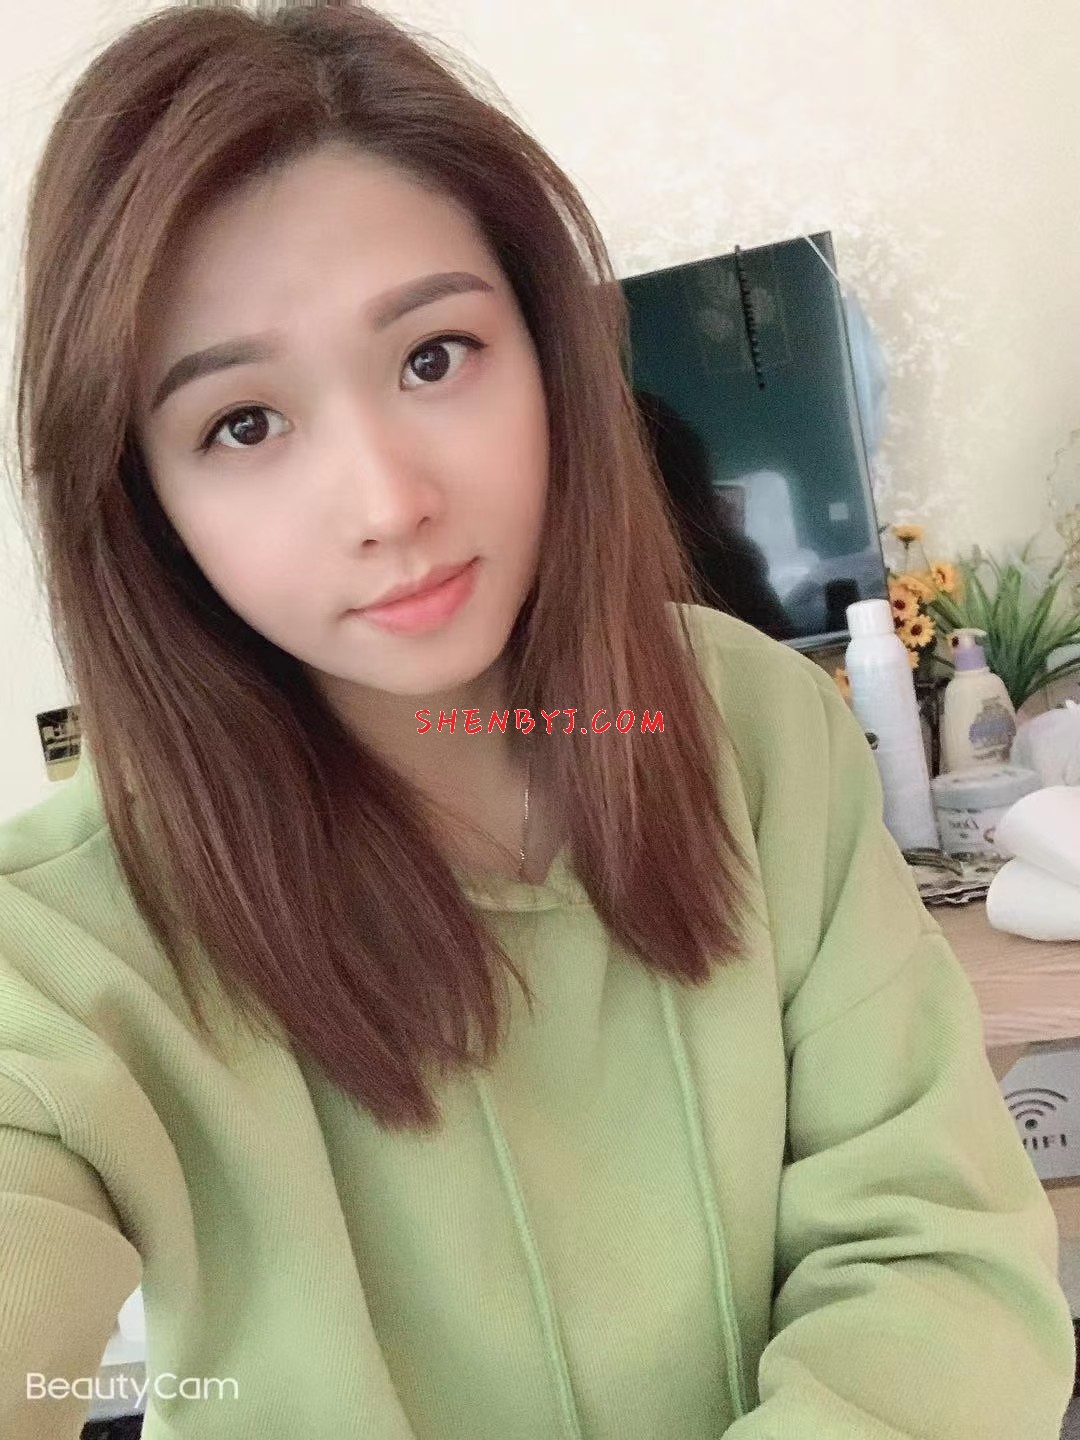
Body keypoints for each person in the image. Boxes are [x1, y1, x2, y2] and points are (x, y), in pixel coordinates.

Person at [0, 4, 1074, 1437]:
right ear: (144, 503)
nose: (388, 502)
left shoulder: (754, 729)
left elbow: (937, 1254)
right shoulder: (58, 952)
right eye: (242, 424)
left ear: (551, 355)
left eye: (434, 355)